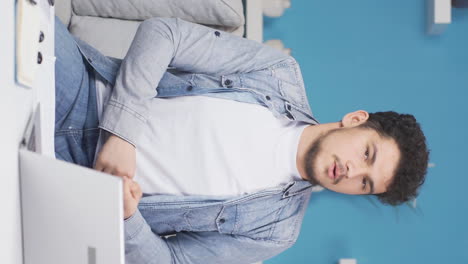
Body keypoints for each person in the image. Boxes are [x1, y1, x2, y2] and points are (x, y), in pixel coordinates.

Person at [54, 16, 429, 264]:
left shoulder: (275, 232)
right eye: (367, 153)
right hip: (83, 92)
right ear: (356, 120)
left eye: (365, 184)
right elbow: (163, 34)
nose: (351, 172)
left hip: (86, 196)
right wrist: (122, 132)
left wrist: (127, 216)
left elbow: (174, 261)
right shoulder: (275, 73)